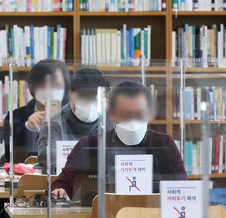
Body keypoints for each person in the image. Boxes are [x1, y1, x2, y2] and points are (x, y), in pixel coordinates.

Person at [51, 81, 187, 200]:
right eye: (125, 114)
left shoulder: (164, 144)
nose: (133, 121)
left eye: (139, 114)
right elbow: (63, 183)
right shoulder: (89, 145)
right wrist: (61, 191)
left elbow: (182, 186)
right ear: (111, 115)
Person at [0, 59, 71, 165]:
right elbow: (11, 158)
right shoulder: (15, 117)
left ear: (65, 87)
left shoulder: (75, 114)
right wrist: (29, 129)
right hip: (28, 178)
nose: (49, 89)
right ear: (33, 86)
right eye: (43, 84)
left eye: (55, 84)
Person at [37, 67, 108, 171]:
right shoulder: (55, 123)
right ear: (71, 95)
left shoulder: (111, 120)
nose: (89, 102)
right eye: (84, 96)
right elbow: (46, 155)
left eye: (94, 97)